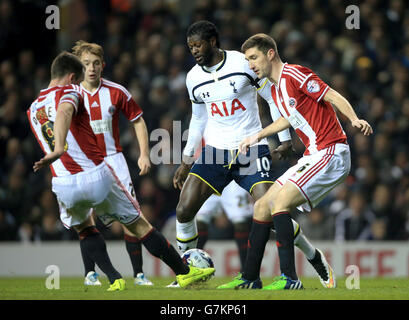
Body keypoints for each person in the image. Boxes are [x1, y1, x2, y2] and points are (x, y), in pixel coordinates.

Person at [27, 51, 215, 291]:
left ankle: (114, 277)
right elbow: (64, 111)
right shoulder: (69, 91)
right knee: (139, 225)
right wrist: (57, 148)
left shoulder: (33, 108)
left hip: (62, 182)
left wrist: (54, 152)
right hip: (94, 174)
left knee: (85, 228)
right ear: (73, 76)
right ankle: (184, 272)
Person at [173, 20, 335, 289]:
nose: (194, 51)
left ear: (213, 41)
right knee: (184, 208)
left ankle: (313, 255)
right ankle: (186, 270)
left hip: (249, 148)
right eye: (190, 47)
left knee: (270, 211)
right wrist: (187, 160)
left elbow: (272, 98)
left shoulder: (241, 63)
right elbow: (198, 119)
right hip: (215, 151)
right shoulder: (193, 77)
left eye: (198, 45)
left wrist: (283, 140)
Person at [220, 33, 373, 290]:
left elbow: (332, 95)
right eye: (247, 60)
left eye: (254, 57)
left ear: (270, 53)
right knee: (261, 207)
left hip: (332, 151)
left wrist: (354, 118)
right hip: (313, 155)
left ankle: (290, 278)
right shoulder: (277, 88)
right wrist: (256, 135)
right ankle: (250, 278)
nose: (251, 65)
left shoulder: (295, 74)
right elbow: (286, 120)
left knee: (280, 203)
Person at [71, 40, 152, 286]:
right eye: (86, 64)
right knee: (86, 217)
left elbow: (138, 120)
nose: (92, 68)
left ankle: (138, 274)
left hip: (114, 161)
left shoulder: (117, 91)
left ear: (103, 65)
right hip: (84, 164)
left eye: (96, 63)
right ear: (79, 67)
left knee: (130, 215)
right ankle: (90, 273)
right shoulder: (70, 95)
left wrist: (144, 153)